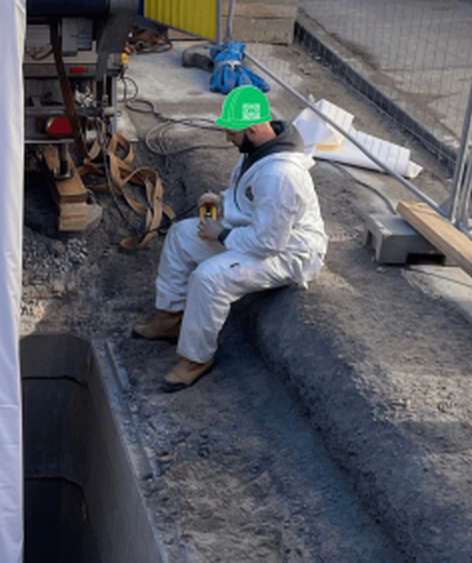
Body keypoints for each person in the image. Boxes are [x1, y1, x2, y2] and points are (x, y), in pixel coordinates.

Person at [132, 86, 327, 392]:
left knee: (209, 278)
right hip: (257, 234)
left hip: (288, 252)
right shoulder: (258, 150)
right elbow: (250, 202)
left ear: (252, 128)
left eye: (232, 133)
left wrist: (221, 233)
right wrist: (222, 201)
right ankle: (169, 320)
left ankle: (196, 359)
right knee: (182, 235)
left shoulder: (282, 175)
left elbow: (268, 243)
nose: (227, 138)